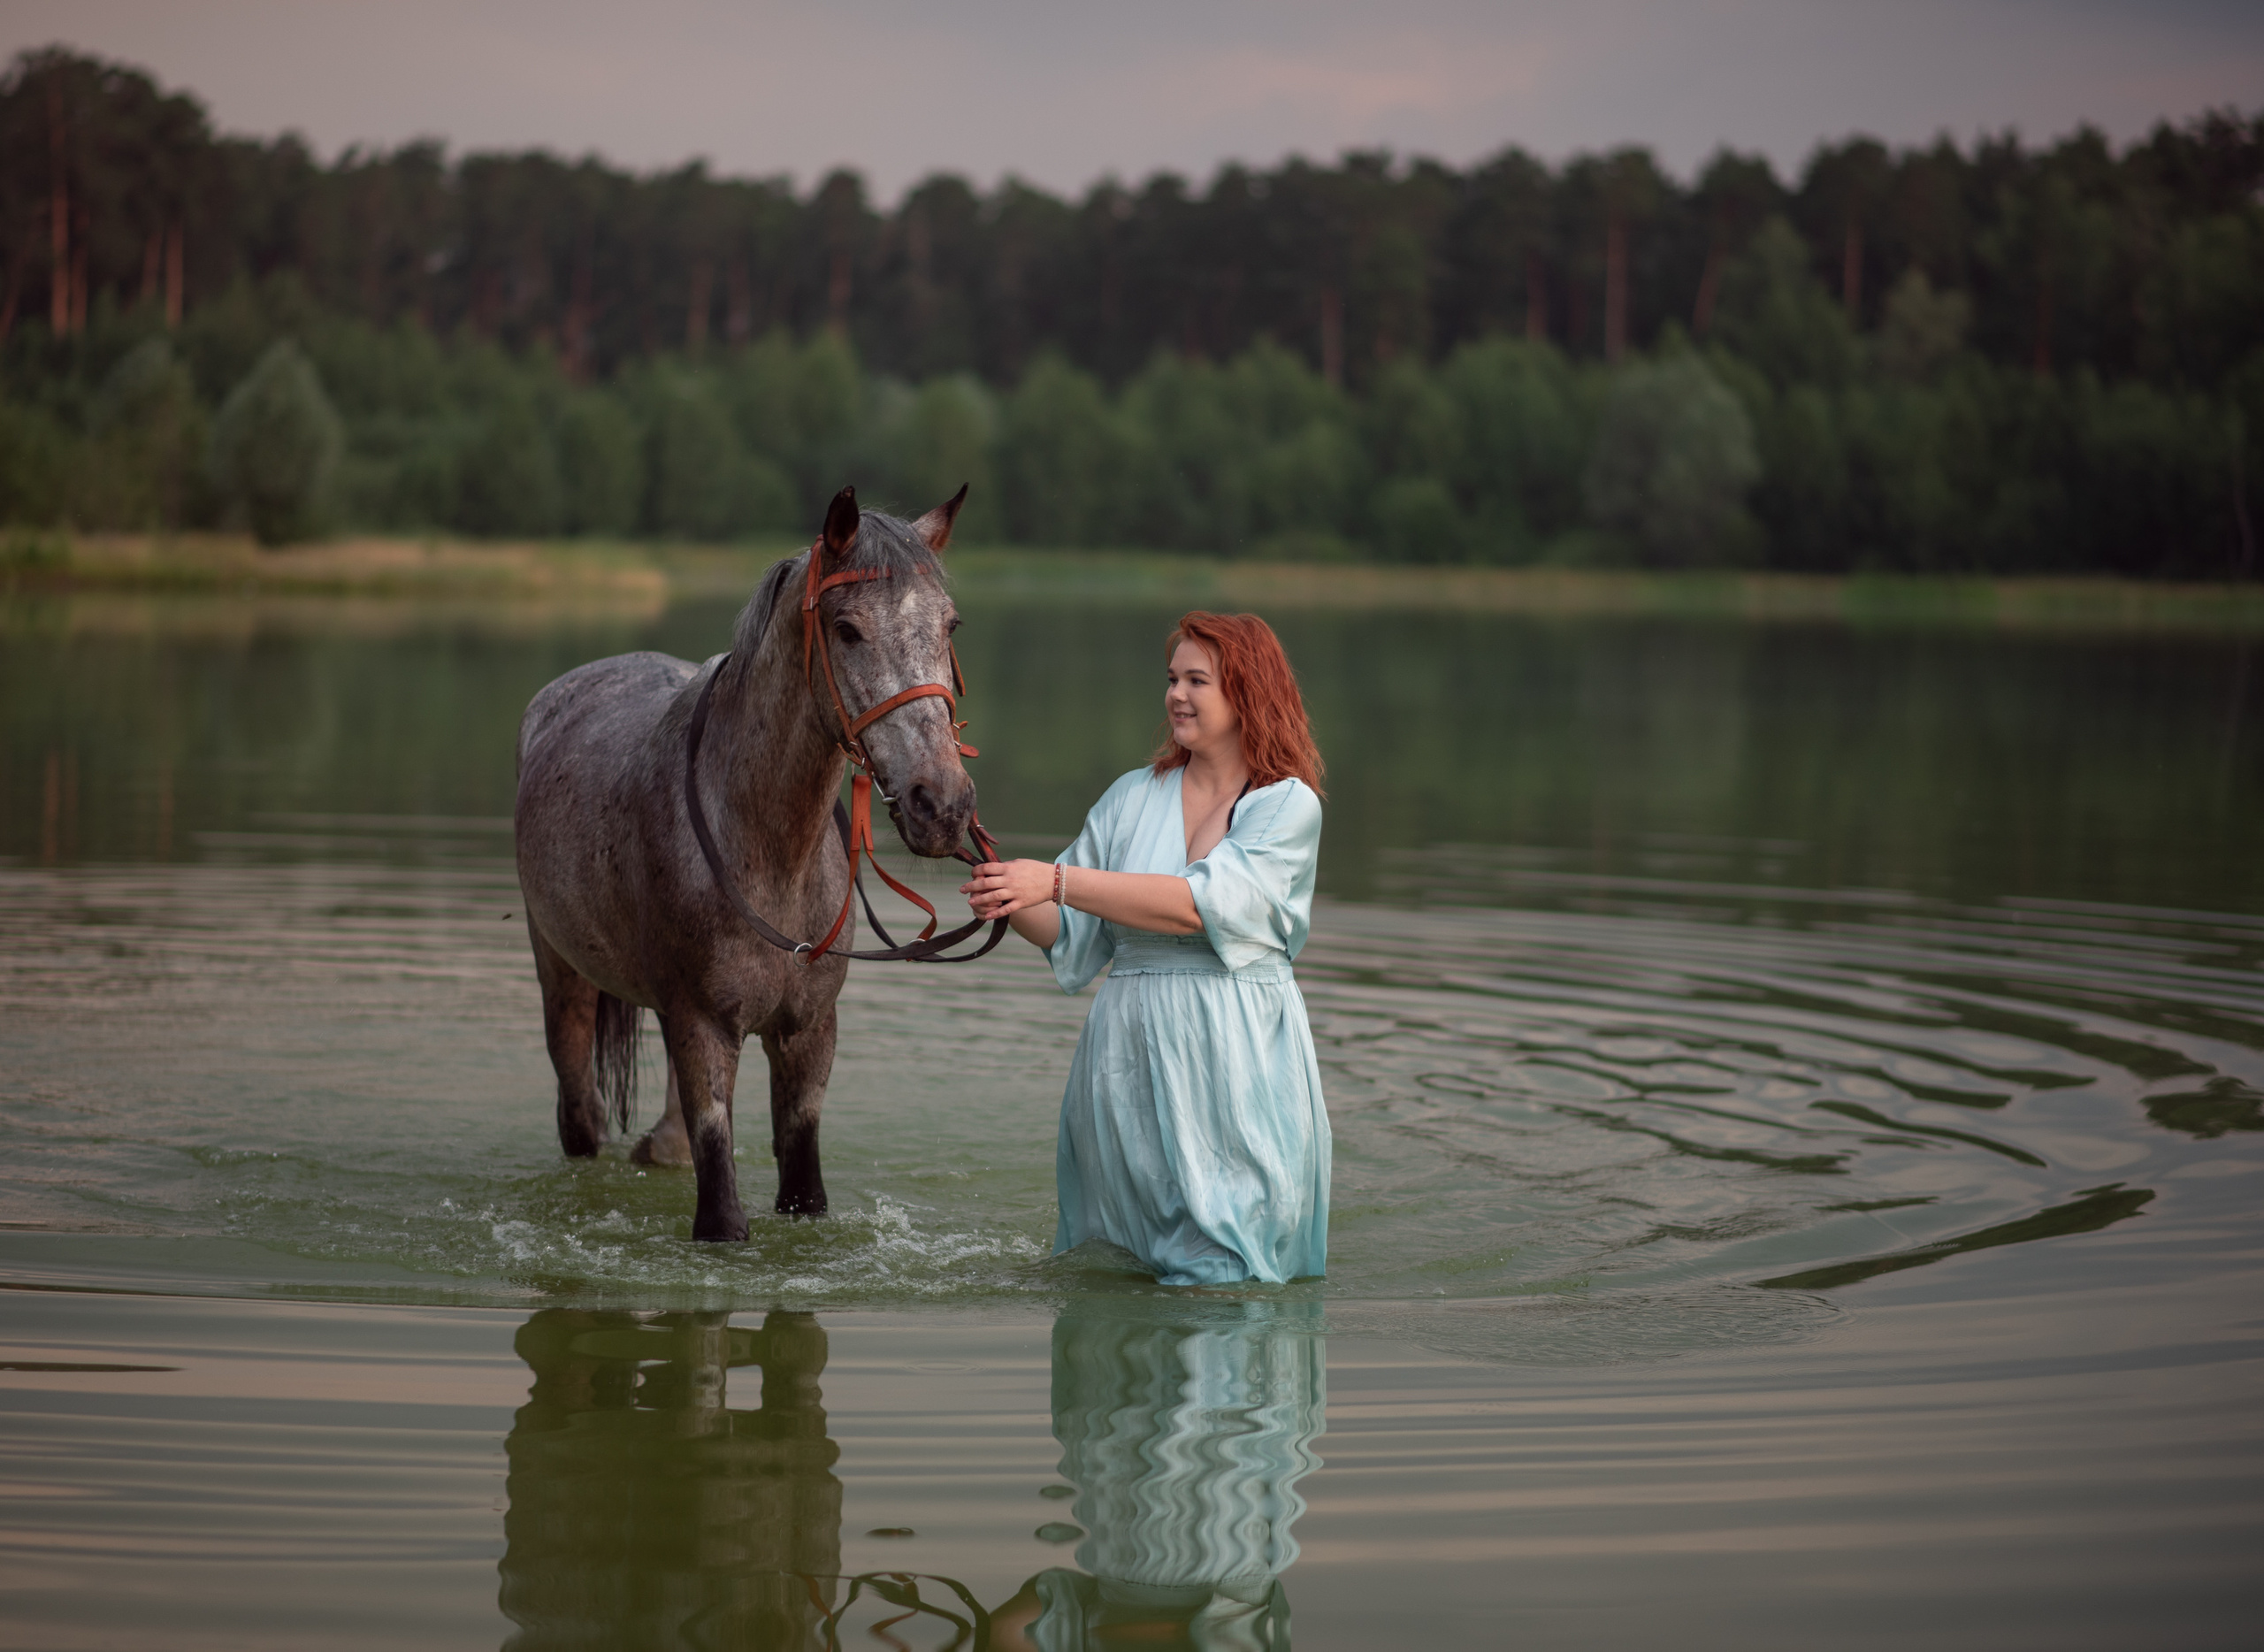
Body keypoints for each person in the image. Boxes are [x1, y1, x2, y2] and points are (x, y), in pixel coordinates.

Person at [960, 611, 1330, 1287]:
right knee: (1120, 1266)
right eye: (1172, 679)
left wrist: (1057, 880)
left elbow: (1197, 906)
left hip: (1236, 1058)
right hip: (1125, 1060)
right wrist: (1005, 887)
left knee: (1230, 1271)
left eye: (1198, 680)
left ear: (1248, 692)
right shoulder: (1132, 797)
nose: (1177, 696)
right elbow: (1071, 934)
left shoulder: (1288, 805)